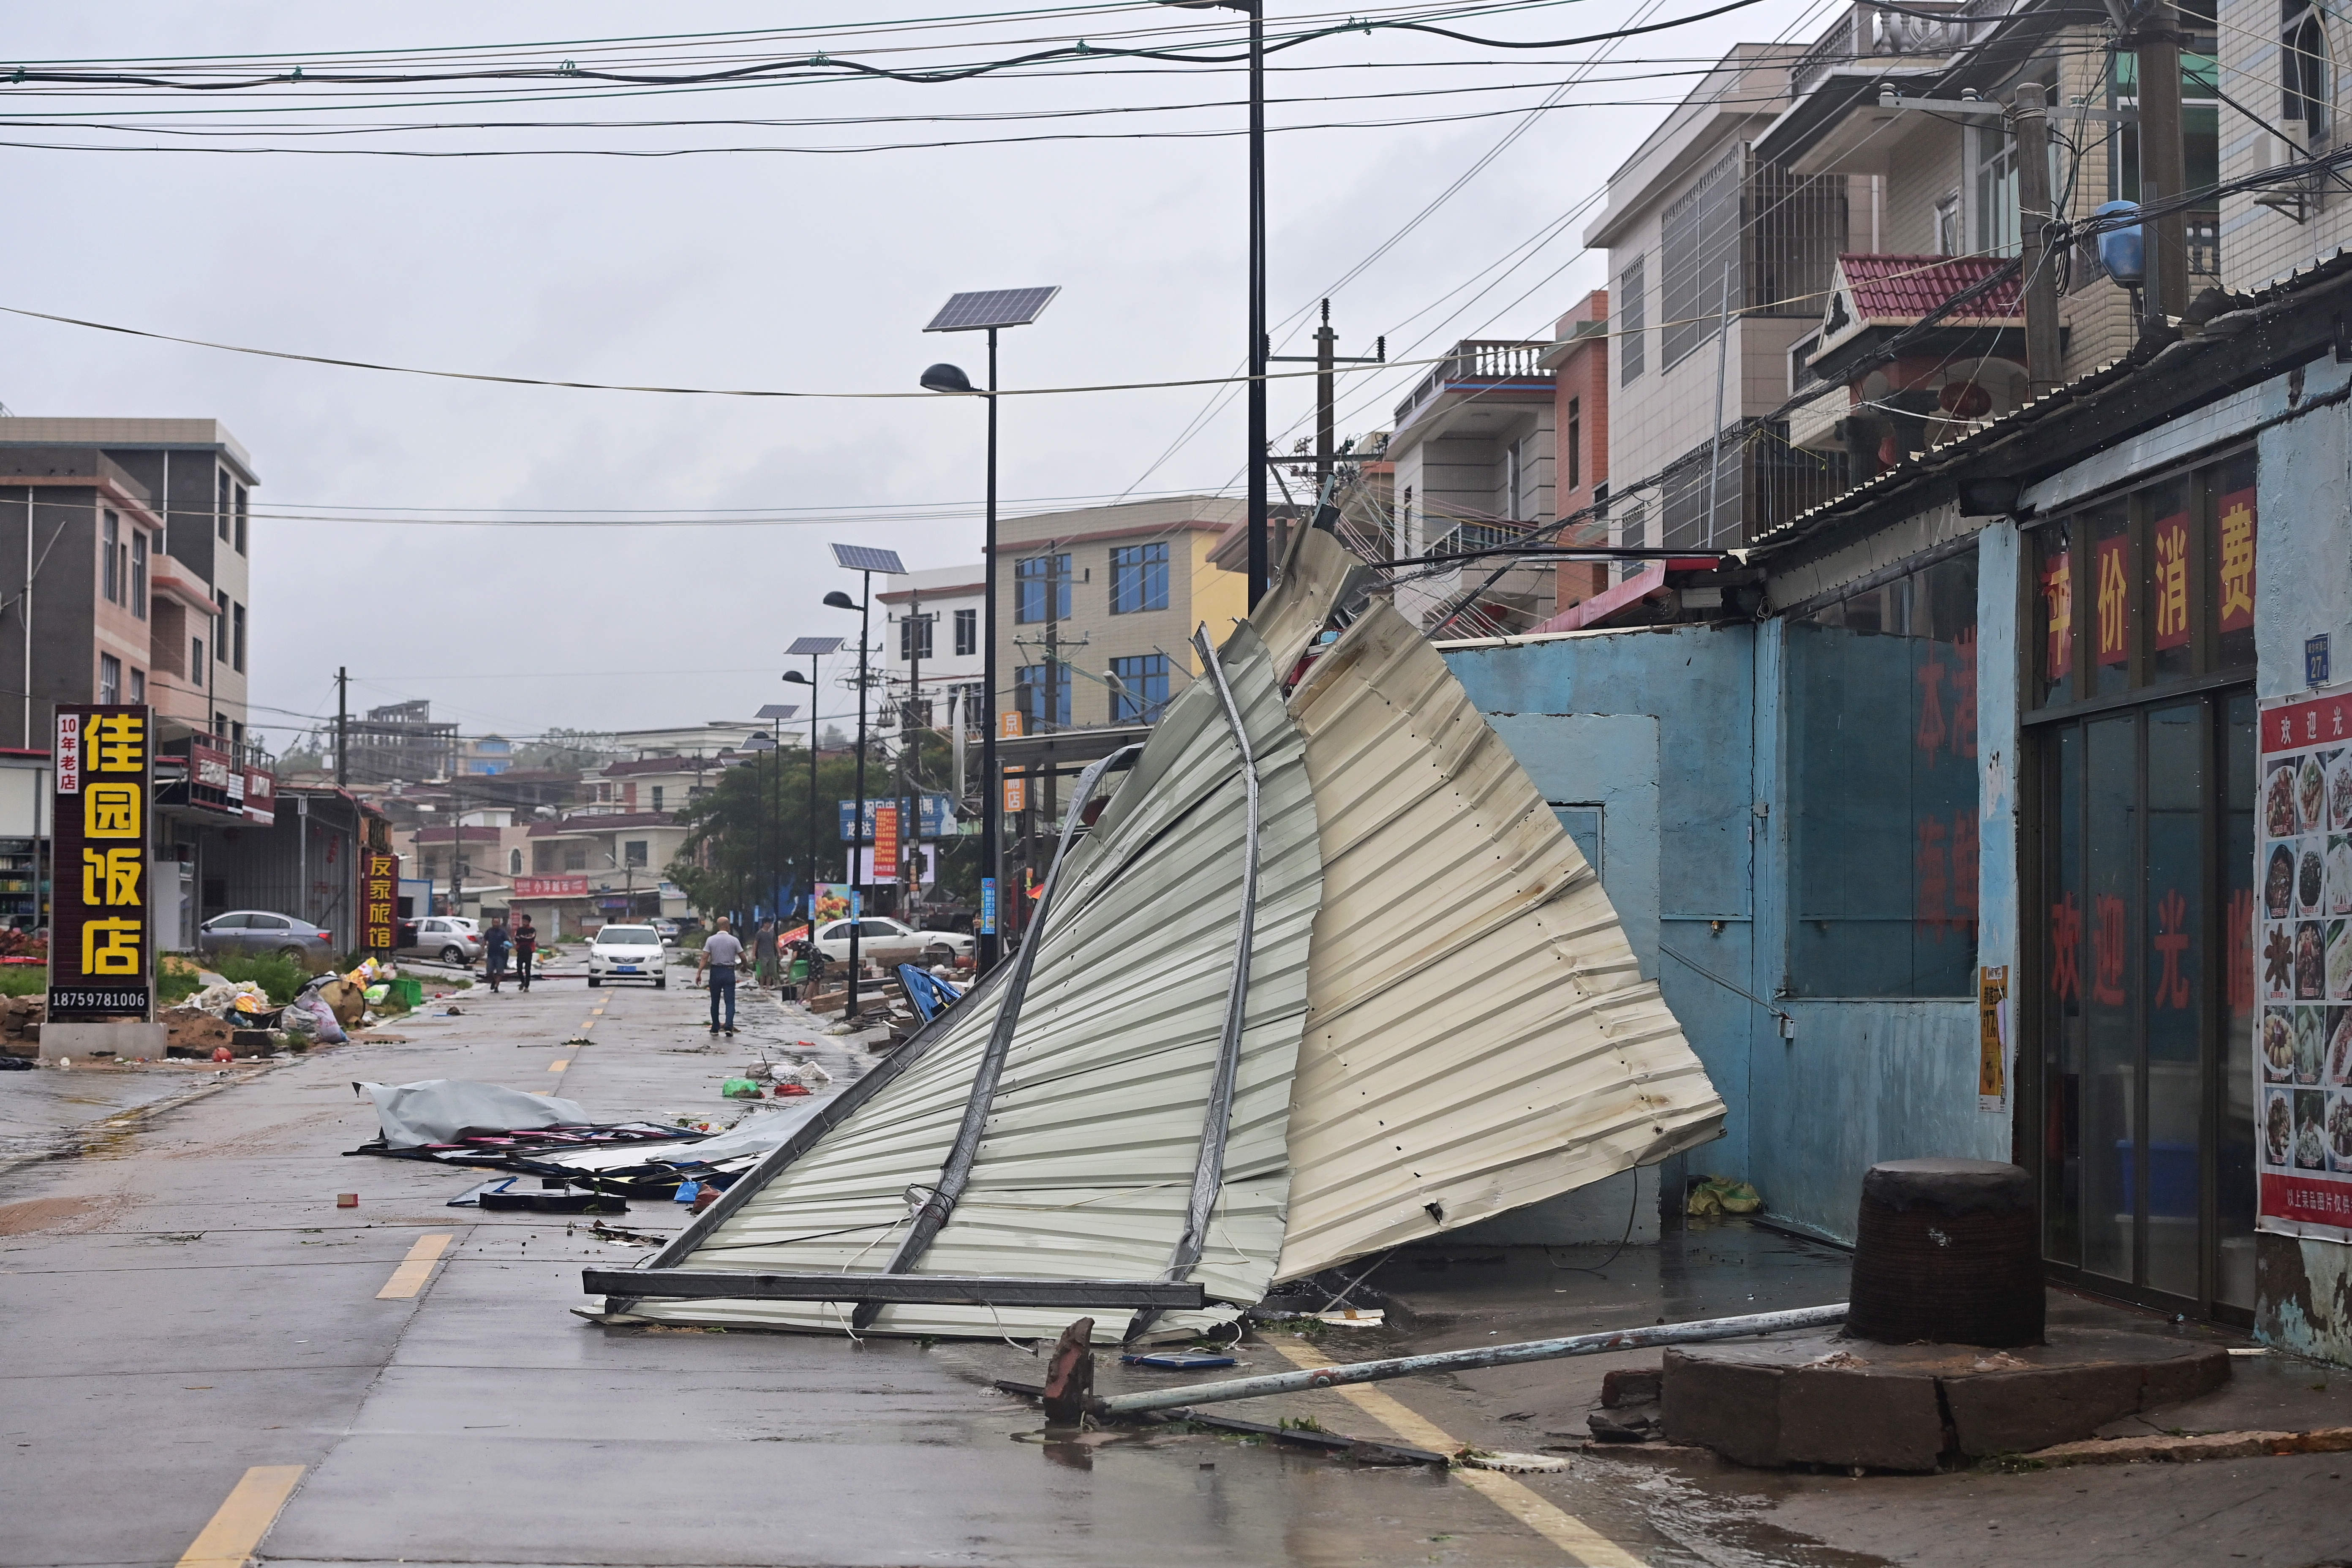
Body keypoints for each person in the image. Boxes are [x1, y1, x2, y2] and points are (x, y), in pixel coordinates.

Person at [700, 916, 743, 1035]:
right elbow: (743, 956)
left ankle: (715, 1028)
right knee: (730, 1002)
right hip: (729, 972)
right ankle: (729, 1027)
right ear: (728, 926)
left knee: (715, 1001)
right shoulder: (734, 940)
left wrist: (699, 973)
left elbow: (705, 958)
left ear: (718, 926)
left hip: (716, 972)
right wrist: (745, 966)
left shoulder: (711, 940)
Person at [482, 918, 512, 993]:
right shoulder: (489, 931)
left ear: (499, 923)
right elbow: (485, 940)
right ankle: (494, 981)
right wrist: (482, 949)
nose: (496, 924)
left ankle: (496, 987)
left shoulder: (503, 932)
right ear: (492, 923)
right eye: (494, 922)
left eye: (497, 922)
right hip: (491, 954)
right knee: (489, 971)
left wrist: (507, 946)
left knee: (500, 972)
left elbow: (507, 941)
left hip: (500, 955)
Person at [513, 912, 538, 991]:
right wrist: (526, 937)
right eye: (523, 921)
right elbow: (517, 938)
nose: (524, 922)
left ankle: (527, 986)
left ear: (529, 922)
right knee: (519, 968)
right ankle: (522, 982)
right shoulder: (520, 930)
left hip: (528, 951)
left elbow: (532, 939)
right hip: (520, 950)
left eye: (526, 921)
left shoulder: (532, 930)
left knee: (528, 970)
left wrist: (523, 938)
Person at [753, 918, 778, 990]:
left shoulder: (772, 933)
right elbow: (755, 944)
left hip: (771, 955)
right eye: (769, 923)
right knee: (763, 973)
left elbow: (776, 943)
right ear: (765, 924)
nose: (770, 925)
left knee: (770, 973)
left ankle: (768, 987)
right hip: (763, 955)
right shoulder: (759, 933)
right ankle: (761, 986)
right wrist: (754, 955)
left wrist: (779, 952)